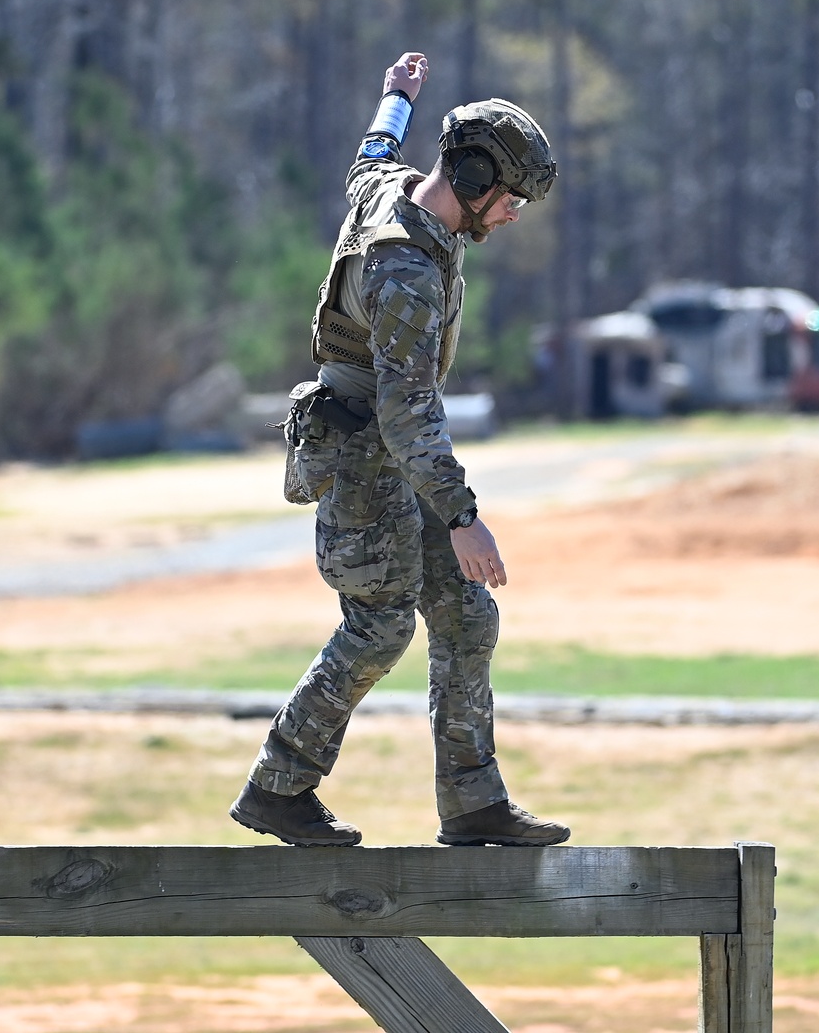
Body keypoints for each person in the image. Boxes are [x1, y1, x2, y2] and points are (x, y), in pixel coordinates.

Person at [230, 51, 570, 849]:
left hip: (389, 446)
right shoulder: (405, 268)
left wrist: (396, 97)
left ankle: (474, 804)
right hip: (360, 449)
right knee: (380, 624)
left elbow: (369, 156)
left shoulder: (394, 188)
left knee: (464, 615)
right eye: (511, 198)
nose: (513, 214)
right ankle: (278, 786)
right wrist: (463, 519)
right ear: (478, 179)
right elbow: (407, 412)